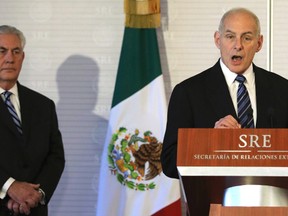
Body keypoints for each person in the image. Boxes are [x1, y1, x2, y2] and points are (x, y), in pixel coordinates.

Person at [161, 7, 288, 215]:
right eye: (230, 36)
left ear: (259, 43)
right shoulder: (189, 92)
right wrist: (211, 141)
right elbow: (168, 161)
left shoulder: (283, 90)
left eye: (247, 38)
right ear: (217, 40)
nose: (237, 45)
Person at [0, 25, 65, 216]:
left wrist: (35, 194)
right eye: (2, 51)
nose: (10, 58)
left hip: (34, 210)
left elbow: (55, 157)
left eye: (16, 51)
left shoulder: (43, 105)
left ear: (23, 57)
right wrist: (10, 187)